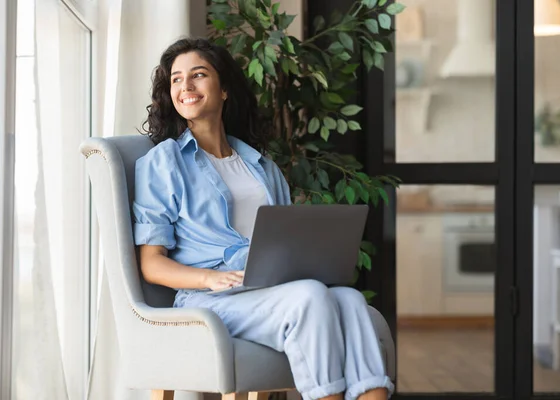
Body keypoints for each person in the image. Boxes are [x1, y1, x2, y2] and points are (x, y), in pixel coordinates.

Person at [133, 37, 394, 400]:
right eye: (176, 79)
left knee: (349, 299)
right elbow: (151, 264)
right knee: (310, 297)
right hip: (207, 299)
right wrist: (211, 279)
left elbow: (284, 241)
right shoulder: (164, 163)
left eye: (198, 75)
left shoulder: (261, 166)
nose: (185, 87)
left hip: (266, 290)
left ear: (224, 89)